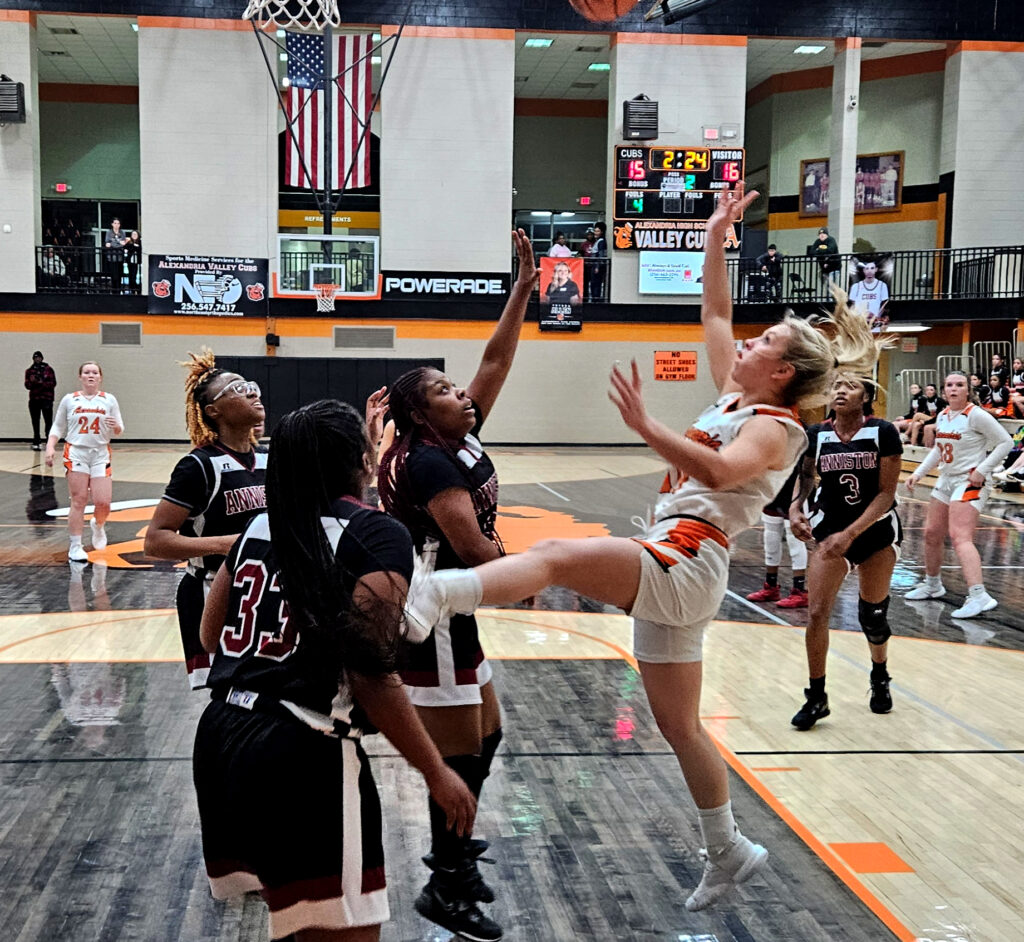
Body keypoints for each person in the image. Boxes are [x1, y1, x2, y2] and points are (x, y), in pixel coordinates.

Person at [404, 184, 883, 913]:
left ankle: (433, 595)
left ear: (782, 373)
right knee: (679, 724)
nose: (745, 345)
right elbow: (716, 311)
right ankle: (728, 850)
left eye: (762, 346)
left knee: (560, 554)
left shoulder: (778, 430)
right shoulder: (736, 394)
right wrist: (718, 234)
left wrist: (645, 424)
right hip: (680, 558)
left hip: (689, 556)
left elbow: (721, 471)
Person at [193, 398, 476, 942]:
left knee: (300, 924)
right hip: (301, 752)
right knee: (343, 934)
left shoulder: (257, 527)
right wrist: (436, 772)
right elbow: (369, 672)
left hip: (223, 738)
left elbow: (212, 636)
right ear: (363, 462)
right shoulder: (375, 534)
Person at [376, 229, 537, 942]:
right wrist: (522, 574)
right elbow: (472, 546)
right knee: (462, 751)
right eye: (444, 391)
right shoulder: (430, 463)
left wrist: (523, 290)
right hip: (437, 602)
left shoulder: (456, 433)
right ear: (420, 413)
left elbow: (497, 358)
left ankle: (455, 851)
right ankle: (446, 878)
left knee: (490, 730)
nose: (461, 395)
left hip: (454, 600)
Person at [144, 350, 268, 690]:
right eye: (237, 389)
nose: (252, 392)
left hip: (263, 590)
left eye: (251, 385)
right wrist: (233, 545)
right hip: (211, 590)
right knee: (230, 698)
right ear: (213, 411)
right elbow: (156, 541)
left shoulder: (269, 459)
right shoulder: (198, 466)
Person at [788, 376, 903, 730]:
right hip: (829, 530)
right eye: (836, 385)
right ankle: (816, 696)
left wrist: (851, 534)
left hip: (875, 530)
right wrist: (795, 508)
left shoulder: (883, 432)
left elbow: (886, 493)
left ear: (866, 396)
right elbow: (806, 475)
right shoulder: (815, 433)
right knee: (818, 612)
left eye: (850, 386)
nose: (840, 390)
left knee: (872, 616)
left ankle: (880, 674)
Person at [905, 372, 1013, 617]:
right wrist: (919, 473)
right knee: (931, 533)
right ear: (944, 390)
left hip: (969, 482)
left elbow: (1006, 442)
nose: (954, 389)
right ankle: (933, 585)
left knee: (960, 537)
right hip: (946, 480)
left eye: (959, 385)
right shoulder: (943, 415)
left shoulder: (976, 415)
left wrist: (984, 470)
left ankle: (979, 595)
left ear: (968, 390)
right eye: (949, 385)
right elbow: (937, 450)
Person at [45, 362, 124, 562]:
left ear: (100, 377)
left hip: (100, 453)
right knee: (79, 500)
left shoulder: (109, 400)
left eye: (95, 372)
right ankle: (75, 545)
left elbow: (119, 428)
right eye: (87, 372)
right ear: (80, 377)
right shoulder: (69, 400)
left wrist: (115, 426)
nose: (91, 375)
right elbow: (57, 426)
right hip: (76, 452)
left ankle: (98, 525)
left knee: (103, 502)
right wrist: (50, 447)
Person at [745, 465, 808, 608]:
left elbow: (808, 466)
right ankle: (771, 586)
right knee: (770, 534)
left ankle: (800, 591)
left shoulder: (806, 442)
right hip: (774, 484)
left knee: (794, 538)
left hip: (796, 486)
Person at [25, 350, 57, 451]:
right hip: (34, 399)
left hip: (46, 399)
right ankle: (36, 440)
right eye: (35, 358)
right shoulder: (29, 371)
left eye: (39, 357)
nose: (37, 359)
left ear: (42, 358)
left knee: (48, 421)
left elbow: (52, 383)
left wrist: (40, 382)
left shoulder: (48, 369)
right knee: (35, 421)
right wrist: (33, 382)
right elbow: (27, 385)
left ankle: (49, 441)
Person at [848, 261, 890, 333]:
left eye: (872, 268)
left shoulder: (882, 286)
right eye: (867, 268)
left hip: (875, 327)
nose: (869, 271)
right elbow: (851, 306)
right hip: (859, 326)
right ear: (864, 270)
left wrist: (878, 319)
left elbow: (884, 305)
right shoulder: (856, 287)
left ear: (876, 269)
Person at [104, 217, 127, 285]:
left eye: (118, 223)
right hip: (111, 256)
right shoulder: (109, 232)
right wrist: (119, 243)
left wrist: (112, 244)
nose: (117, 225)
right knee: (113, 275)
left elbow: (123, 244)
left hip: (120, 256)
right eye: (115, 223)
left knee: (119, 274)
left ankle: (119, 289)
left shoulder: (122, 232)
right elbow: (107, 243)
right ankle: (114, 290)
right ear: (112, 224)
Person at [589, 222, 607, 301]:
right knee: (594, 284)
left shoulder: (601, 242)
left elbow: (601, 255)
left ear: (601, 232)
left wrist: (597, 267)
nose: (595, 233)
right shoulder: (598, 241)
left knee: (596, 284)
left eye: (598, 231)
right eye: (595, 231)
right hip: (594, 265)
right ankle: (594, 298)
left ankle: (595, 300)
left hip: (596, 266)